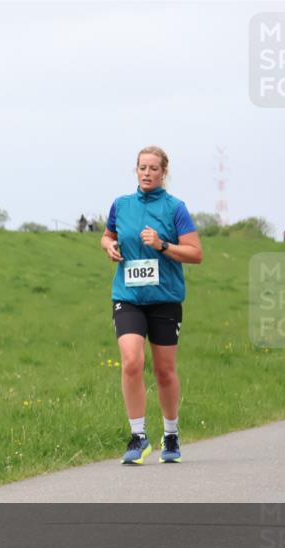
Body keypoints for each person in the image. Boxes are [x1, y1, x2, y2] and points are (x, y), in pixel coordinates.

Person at [100, 146, 203, 464]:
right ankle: (138, 436)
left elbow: (195, 253)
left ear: (164, 173)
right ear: (136, 170)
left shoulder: (175, 208)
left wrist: (163, 245)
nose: (147, 173)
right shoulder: (121, 205)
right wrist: (110, 246)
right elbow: (106, 235)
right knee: (131, 361)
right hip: (128, 297)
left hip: (164, 299)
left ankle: (170, 436)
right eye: (142, 167)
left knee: (164, 370)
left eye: (153, 168)